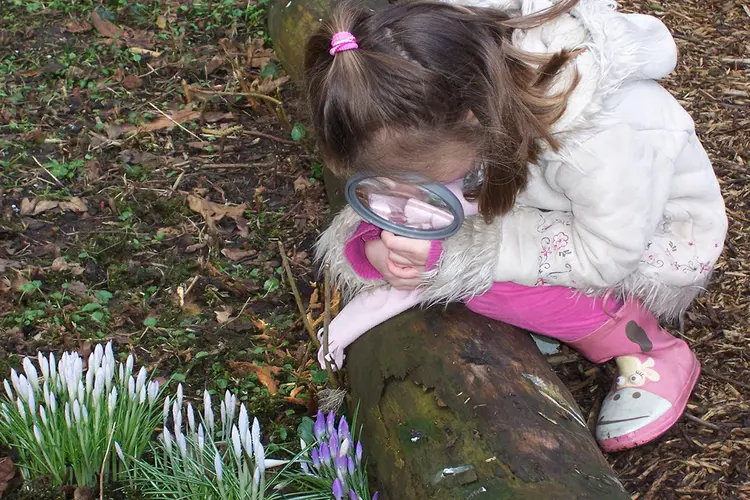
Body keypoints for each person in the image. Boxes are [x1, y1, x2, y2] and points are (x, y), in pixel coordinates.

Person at [303, 0, 727, 453]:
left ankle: (645, 346)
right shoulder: (444, 80)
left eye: (424, 179)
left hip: (649, 244)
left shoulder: (599, 142)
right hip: (550, 209)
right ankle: (553, 315)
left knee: (485, 287)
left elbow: (603, 256)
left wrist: (460, 254)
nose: (411, 193)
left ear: (472, 120)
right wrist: (378, 249)